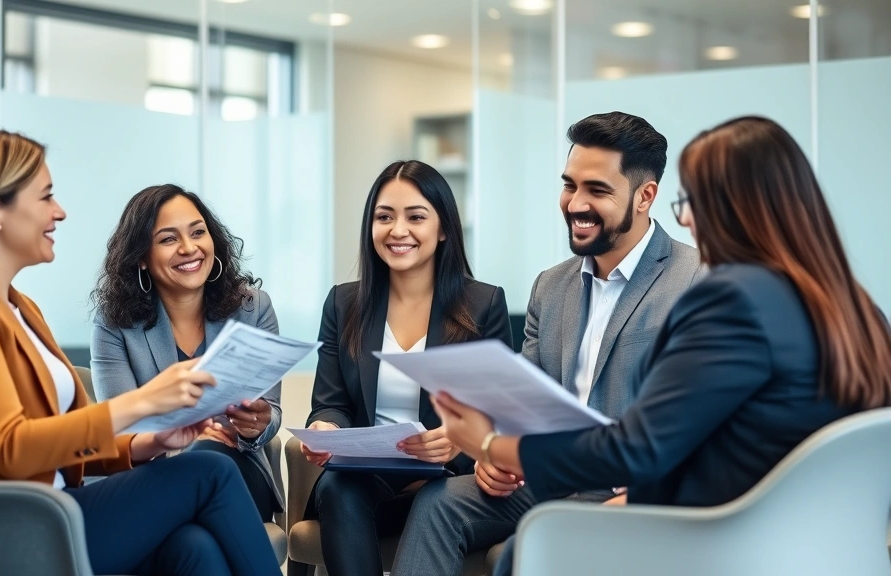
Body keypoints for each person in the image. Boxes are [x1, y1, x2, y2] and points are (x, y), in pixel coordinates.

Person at [434, 116, 891, 576]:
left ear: (738, 207)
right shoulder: (857, 310)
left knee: (527, 550)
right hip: (831, 547)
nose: (687, 218)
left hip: (723, 543)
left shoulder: (731, 296)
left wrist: (491, 444)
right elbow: (762, 440)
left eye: (691, 200)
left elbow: (635, 450)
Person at [0, 128, 282, 576]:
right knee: (209, 473)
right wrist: (146, 400)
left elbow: (58, 437)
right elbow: (11, 448)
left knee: (194, 546)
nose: (59, 211)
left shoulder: (20, 307)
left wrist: (149, 442)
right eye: (45, 196)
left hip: (47, 510)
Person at [391, 111, 704, 576]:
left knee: (533, 549)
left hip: (632, 487)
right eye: (569, 185)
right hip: (544, 479)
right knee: (440, 502)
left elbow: (699, 422)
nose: (575, 203)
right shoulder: (550, 286)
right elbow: (521, 400)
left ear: (645, 196)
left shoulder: (696, 280)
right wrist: (495, 455)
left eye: (596, 190)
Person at [300, 160, 513, 576]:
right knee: (338, 488)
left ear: (444, 228)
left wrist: (458, 438)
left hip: (447, 478)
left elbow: (501, 411)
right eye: (384, 217)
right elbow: (331, 403)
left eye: (416, 217)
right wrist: (326, 427)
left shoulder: (483, 304)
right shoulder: (344, 304)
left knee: (424, 499)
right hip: (368, 482)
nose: (398, 231)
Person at [91, 184, 283, 522]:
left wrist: (259, 422)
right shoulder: (114, 324)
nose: (189, 248)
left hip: (237, 468)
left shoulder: (252, 308)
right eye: (168, 239)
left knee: (207, 457)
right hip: (153, 476)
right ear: (141, 257)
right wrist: (177, 440)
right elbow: (120, 427)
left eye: (198, 233)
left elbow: (271, 413)